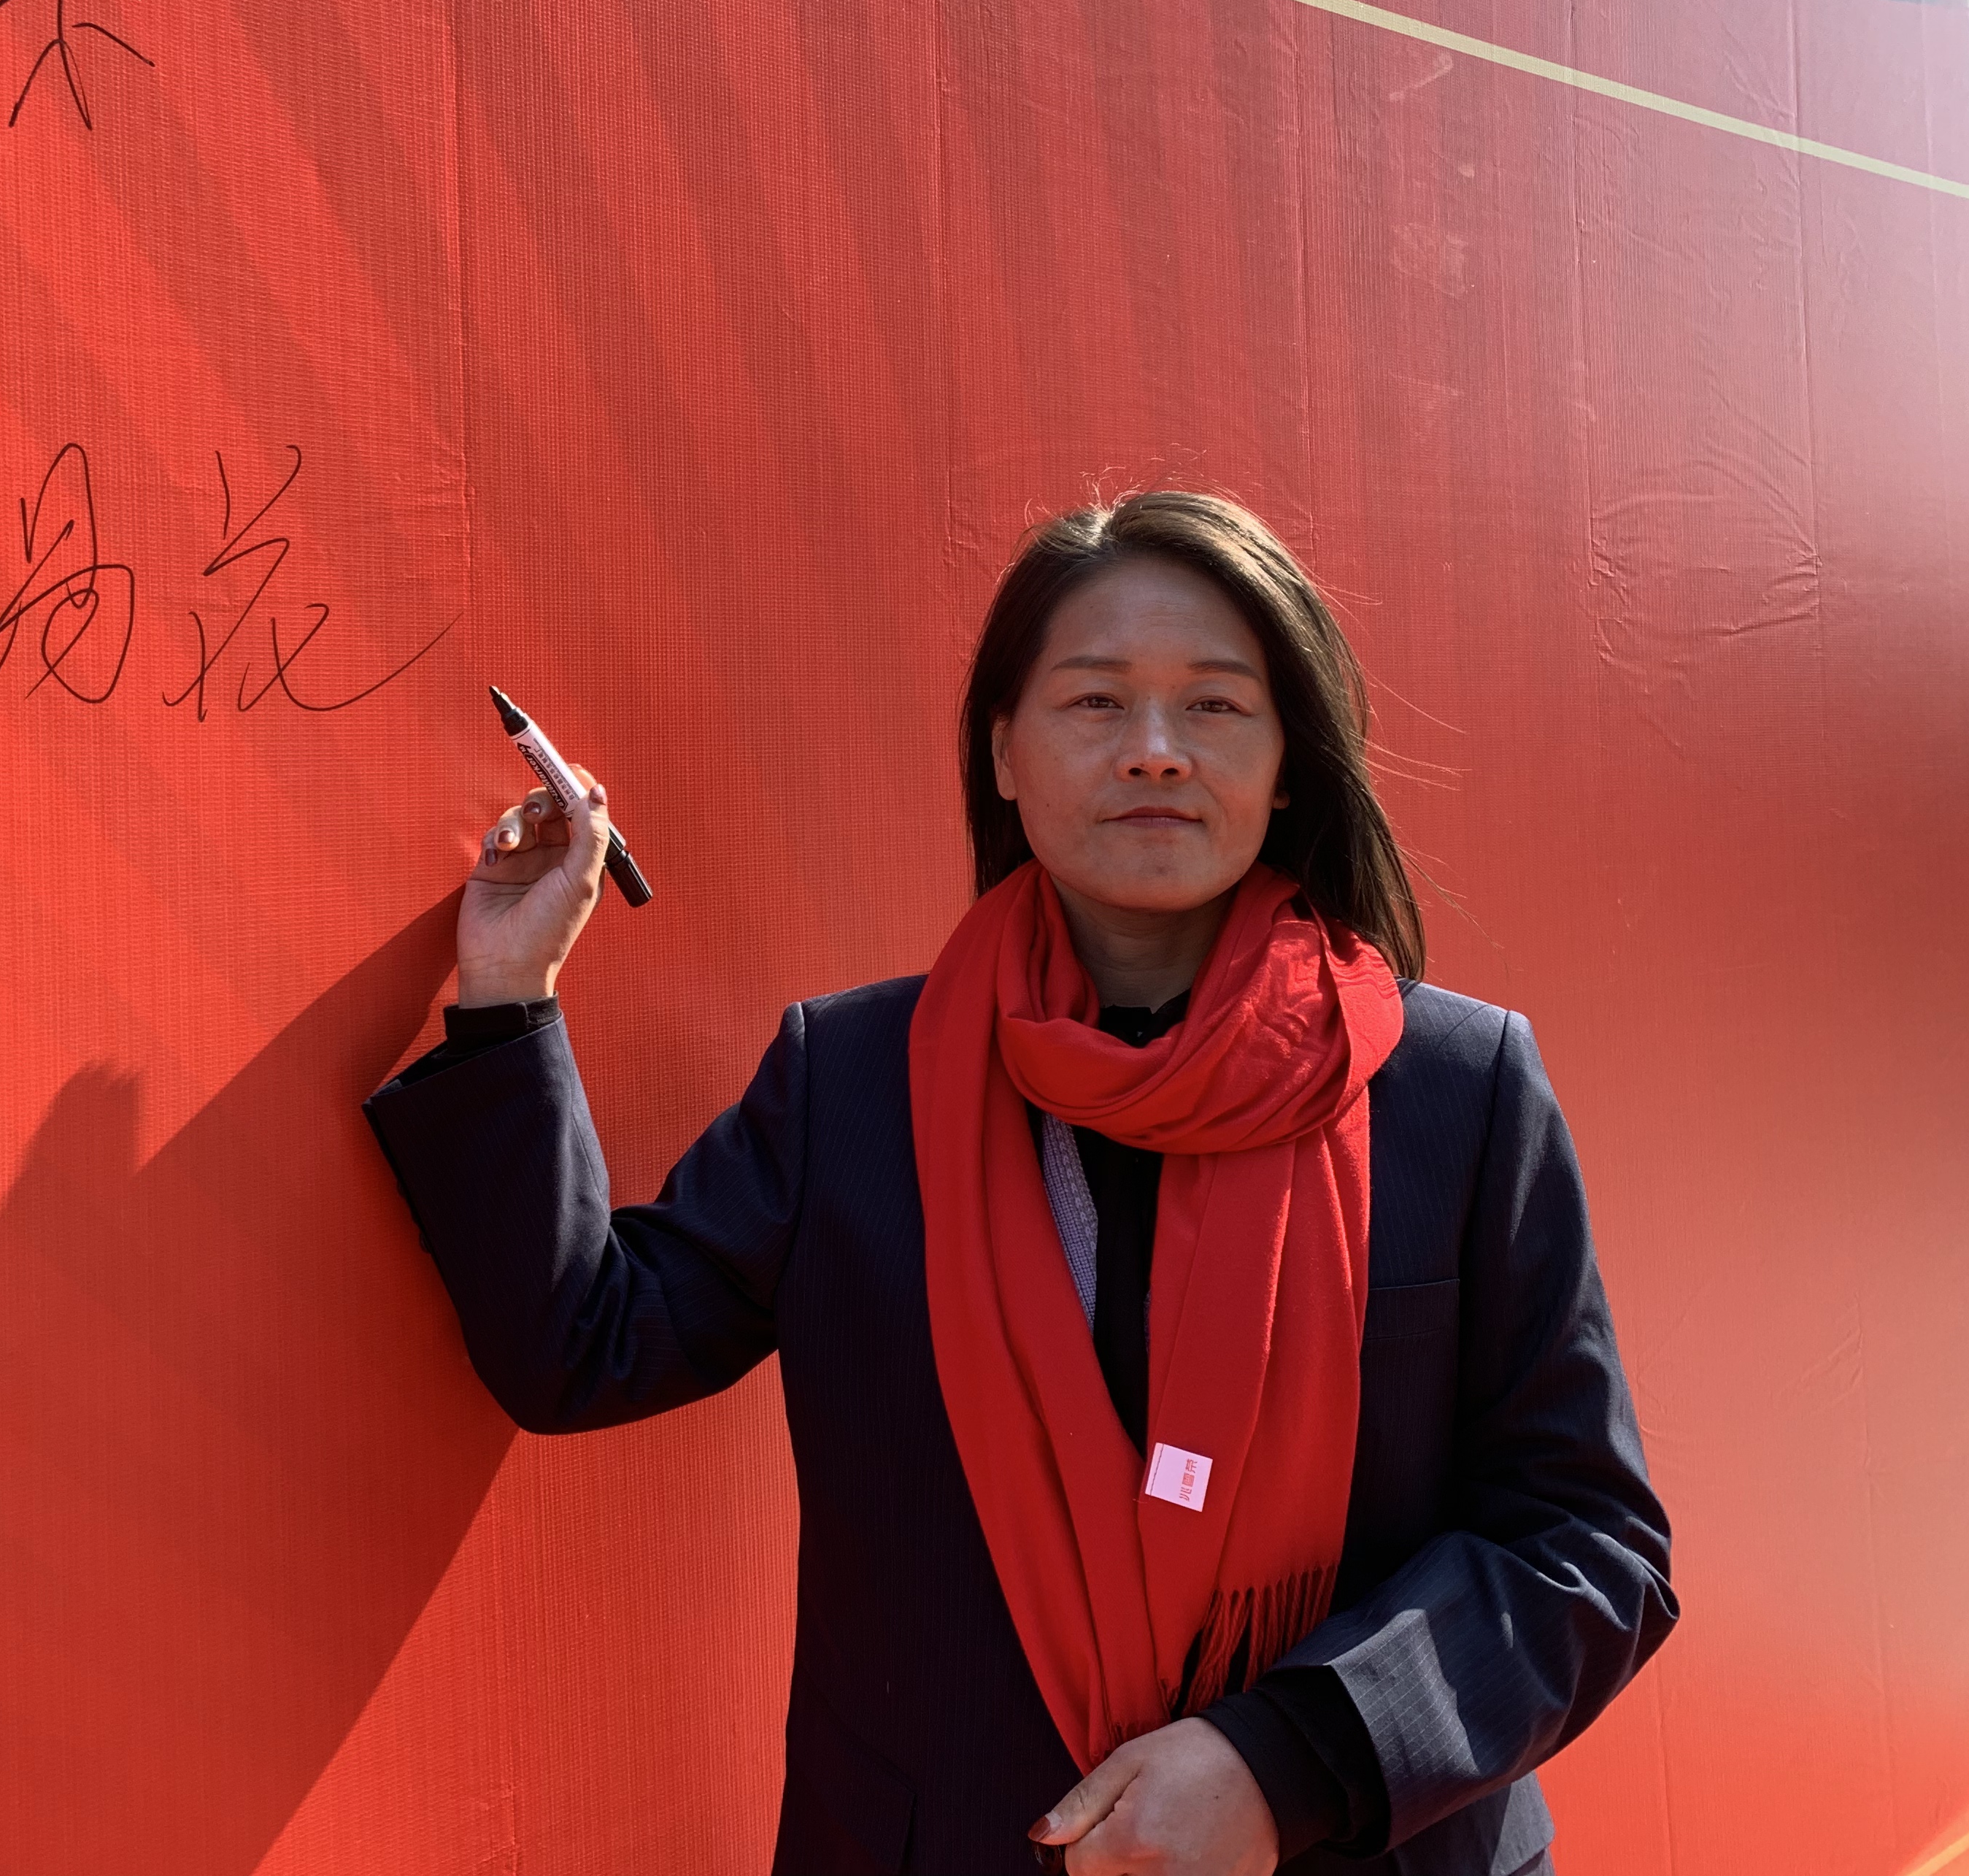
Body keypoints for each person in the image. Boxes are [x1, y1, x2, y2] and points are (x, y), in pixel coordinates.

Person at [363, 493, 1676, 1876]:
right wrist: (507, 994)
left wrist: (1285, 1763)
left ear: (1289, 759)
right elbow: (585, 1346)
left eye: (1217, 706)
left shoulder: (1453, 1088)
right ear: (1002, 750)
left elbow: (1588, 1542)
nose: (1155, 749)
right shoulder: (856, 1082)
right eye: (1095, 700)